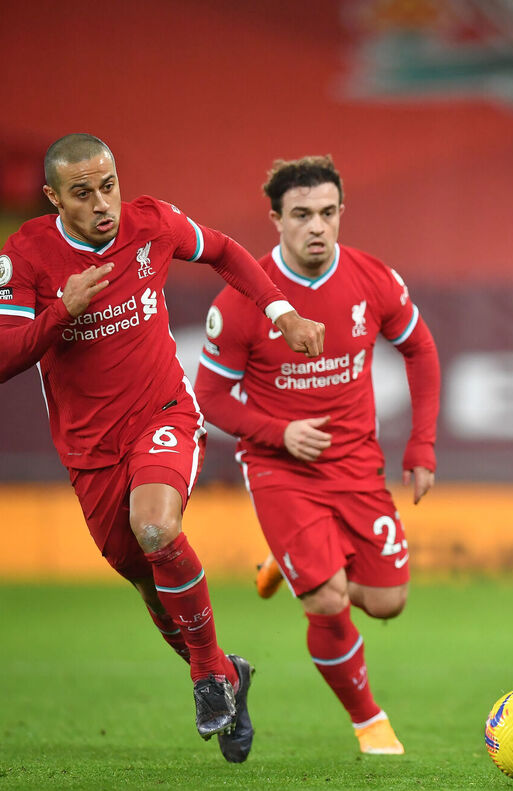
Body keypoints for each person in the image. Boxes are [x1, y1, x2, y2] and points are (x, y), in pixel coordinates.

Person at [0, 133, 325, 764]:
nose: (102, 204)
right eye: (82, 194)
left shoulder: (152, 223)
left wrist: (282, 314)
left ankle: (204, 677)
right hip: (89, 451)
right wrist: (62, 309)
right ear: (54, 198)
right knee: (151, 583)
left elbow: (223, 250)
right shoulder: (27, 254)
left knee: (156, 529)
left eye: (107, 185)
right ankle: (228, 672)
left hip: (162, 413)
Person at [195, 155, 440, 756]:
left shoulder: (373, 278)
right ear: (276, 219)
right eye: (301, 214)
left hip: (356, 463)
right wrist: (280, 433)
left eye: (328, 213)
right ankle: (369, 723)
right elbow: (209, 398)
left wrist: (422, 443)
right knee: (329, 601)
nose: (317, 227)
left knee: (388, 602)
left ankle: (293, 565)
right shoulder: (241, 301)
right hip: (279, 469)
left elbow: (422, 352)